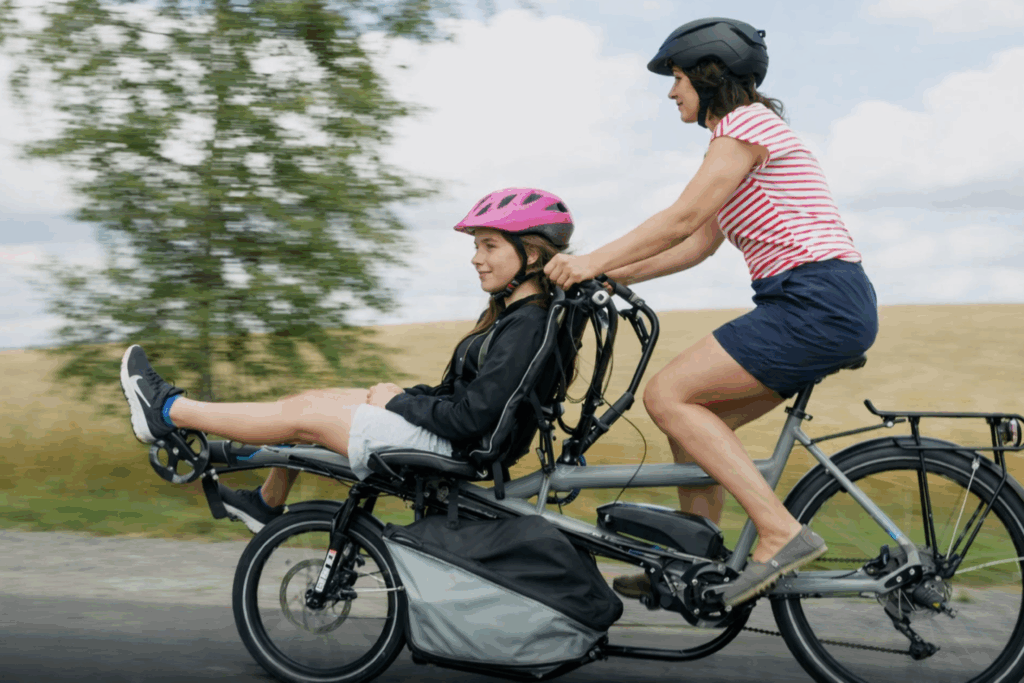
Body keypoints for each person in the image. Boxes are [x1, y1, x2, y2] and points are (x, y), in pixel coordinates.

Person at [544, 18, 878, 607]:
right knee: (695, 423)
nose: (672, 92)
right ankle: (694, 562)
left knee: (667, 396)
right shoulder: (743, 141)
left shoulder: (745, 127)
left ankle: (781, 532)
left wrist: (591, 260)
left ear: (710, 75)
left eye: (677, 78)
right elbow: (697, 244)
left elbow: (679, 220)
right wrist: (608, 277)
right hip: (820, 300)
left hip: (814, 299)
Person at [120, 187, 575, 533]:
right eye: (476, 246)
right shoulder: (510, 316)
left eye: (489, 246)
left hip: (455, 449)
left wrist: (398, 402)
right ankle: (265, 504)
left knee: (305, 418)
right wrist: (404, 395)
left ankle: (167, 411)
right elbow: (462, 397)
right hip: (449, 437)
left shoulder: (527, 327)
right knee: (309, 400)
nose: (476, 258)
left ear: (532, 253)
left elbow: (471, 419)